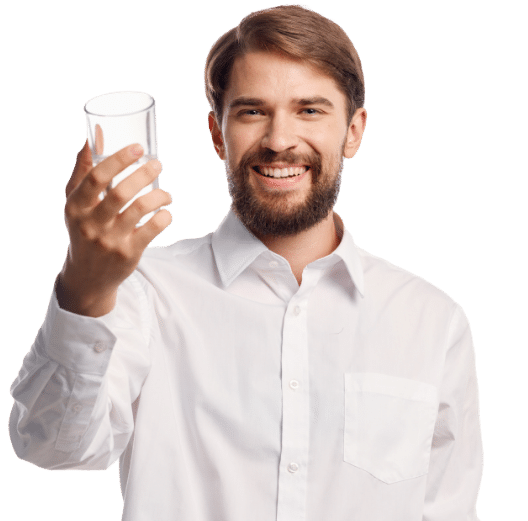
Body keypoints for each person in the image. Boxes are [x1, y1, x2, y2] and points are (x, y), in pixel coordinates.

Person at [8, 4, 483, 520]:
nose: (280, 140)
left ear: (353, 131)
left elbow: (448, 512)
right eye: (253, 111)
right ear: (217, 132)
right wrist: (83, 286)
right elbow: (54, 447)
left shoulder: (431, 320)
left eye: (309, 110)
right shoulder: (143, 291)